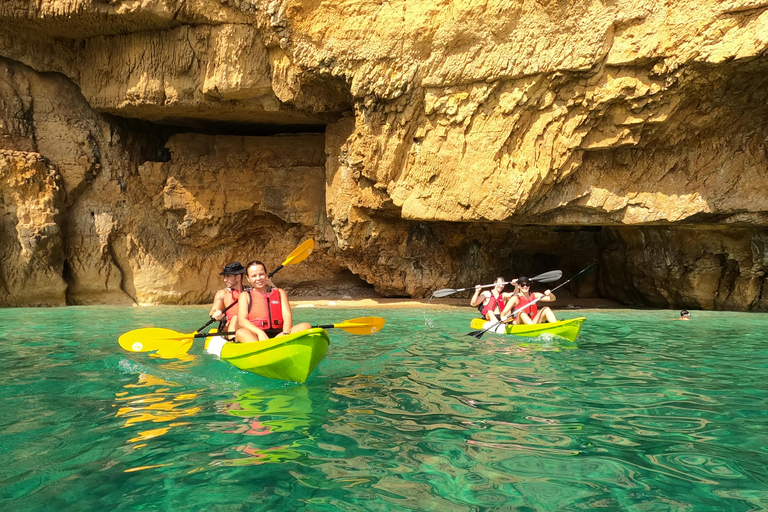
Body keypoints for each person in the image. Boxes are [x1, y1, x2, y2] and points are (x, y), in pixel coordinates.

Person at [235, 260, 311, 342]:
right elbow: (242, 321)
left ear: (266, 274)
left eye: (261, 274)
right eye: (254, 276)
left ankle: (282, 344)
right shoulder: (245, 295)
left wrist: (286, 334)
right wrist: (260, 333)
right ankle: (261, 349)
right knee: (241, 332)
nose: (258, 278)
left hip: (279, 335)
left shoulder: (279, 292)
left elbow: (287, 316)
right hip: (257, 337)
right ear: (248, 278)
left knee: (305, 326)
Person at [209, 261, 247, 333]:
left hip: (246, 327)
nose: (225, 279)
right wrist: (215, 314)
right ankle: (232, 340)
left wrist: (270, 283)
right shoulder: (222, 293)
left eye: (228, 276)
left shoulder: (250, 292)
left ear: (238, 277)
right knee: (235, 318)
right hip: (228, 328)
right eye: (225, 276)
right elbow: (213, 310)